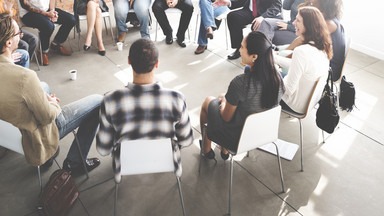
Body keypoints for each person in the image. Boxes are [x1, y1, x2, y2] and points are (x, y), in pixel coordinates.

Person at [0, 13, 102, 173]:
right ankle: (75, 162)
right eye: (18, 32)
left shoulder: (15, 72)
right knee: (99, 101)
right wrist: (52, 102)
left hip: (11, 131)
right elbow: (47, 117)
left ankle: (50, 157)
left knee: (44, 86)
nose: (21, 35)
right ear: (8, 42)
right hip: (36, 134)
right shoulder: (25, 77)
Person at [96, 38, 193, 182]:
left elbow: (103, 149)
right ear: (157, 63)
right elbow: (186, 140)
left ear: (129, 61)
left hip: (125, 165)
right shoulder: (177, 98)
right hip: (166, 161)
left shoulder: (110, 100)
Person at [200, 31, 284, 160]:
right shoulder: (278, 78)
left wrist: (223, 103)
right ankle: (223, 150)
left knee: (208, 101)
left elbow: (226, 118)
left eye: (242, 47)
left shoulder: (241, 83)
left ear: (254, 56)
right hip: (263, 133)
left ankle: (206, 148)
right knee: (223, 96)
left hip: (238, 139)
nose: (239, 50)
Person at [274, 6, 332, 114]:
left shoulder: (301, 51)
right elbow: (298, 65)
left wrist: (274, 69)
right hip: (309, 101)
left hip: (293, 104)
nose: (294, 23)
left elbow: (288, 90)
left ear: (308, 26)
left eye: (298, 20)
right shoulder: (323, 46)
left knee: (251, 70)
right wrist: (275, 58)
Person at [213, 0, 282, 60]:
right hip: (250, 11)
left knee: (256, 25)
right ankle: (240, 48)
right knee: (233, 17)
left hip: (265, 13)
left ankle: (258, 52)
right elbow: (242, 1)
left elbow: (277, 6)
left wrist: (263, 17)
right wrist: (228, 3)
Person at [18, 0, 76, 66]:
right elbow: (25, 5)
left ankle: (56, 44)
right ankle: (42, 51)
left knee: (71, 20)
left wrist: (52, 11)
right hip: (28, 14)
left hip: (47, 10)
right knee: (48, 26)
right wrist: (46, 14)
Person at [1, 0, 38, 67]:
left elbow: (13, 23)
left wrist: (18, 32)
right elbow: (3, 26)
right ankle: (18, 66)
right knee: (24, 45)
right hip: (5, 33)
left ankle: (26, 64)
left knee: (33, 39)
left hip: (13, 29)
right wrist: (8, 11)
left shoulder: (9, 2)